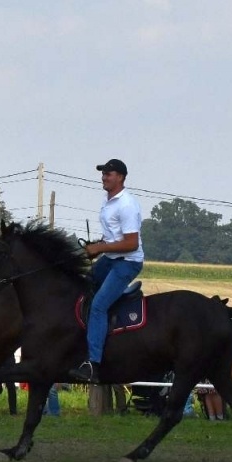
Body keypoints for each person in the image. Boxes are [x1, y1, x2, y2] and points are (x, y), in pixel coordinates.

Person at [72, 158, 143, 382]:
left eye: (109, 173)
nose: (104, 177)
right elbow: (114, 236)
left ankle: (93, 364)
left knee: (99, 306)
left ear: (120, 177)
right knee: (82, 285)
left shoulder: (126, 204)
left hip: (127, 262)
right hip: (111, 258)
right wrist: (95, 247)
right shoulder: (108, 202)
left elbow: (131, 243)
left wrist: (100, 247)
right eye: (103, 173)